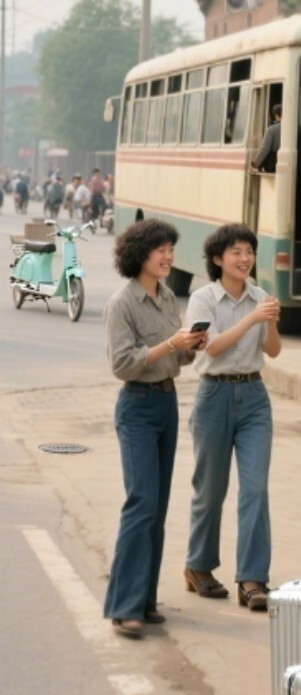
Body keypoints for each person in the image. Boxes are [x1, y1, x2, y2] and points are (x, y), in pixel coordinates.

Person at [103, 219, 205, 639]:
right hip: (137, 407)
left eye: (170, 249)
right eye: (159, 249)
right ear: (138, 255)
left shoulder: (167, 299)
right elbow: (122, 364)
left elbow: (176, 362)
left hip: (167, 403)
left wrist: (191, 347)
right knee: (141, 502)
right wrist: (171, 345)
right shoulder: (122, 303)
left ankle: (144, 601)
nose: (167, 257)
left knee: (158, 507)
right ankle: (123, 606)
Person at [183, 223, 281, 611]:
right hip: (214, 395)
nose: (244, 259)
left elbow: (273, 350)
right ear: (218, 259)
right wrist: (253, 319)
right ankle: (199, 566)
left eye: (249, 252)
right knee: (210, 490)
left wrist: (270, 320)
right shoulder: (202, 300)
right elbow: (213, 349)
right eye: (236, 252)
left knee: (255, 489)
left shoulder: (260, 298)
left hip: (255, 396)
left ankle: (253, 579)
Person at [252, 103, 282, 173]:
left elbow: (265, 148)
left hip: (273, 166)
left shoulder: (272, 130)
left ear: (277, 115)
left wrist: (255, 164)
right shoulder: (299, 129)